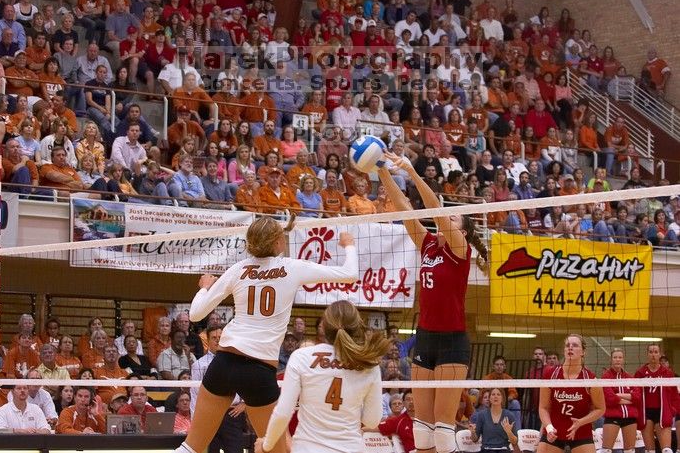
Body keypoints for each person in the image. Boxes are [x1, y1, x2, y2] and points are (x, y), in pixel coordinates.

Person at [173, 217, 358, 453]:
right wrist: (349, 244)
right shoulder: (292, 267)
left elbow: (196, 314)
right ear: (279, 243)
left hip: (224, 362)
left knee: (191, 447)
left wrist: (204, 287)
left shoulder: (237, 269)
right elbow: (350, 274)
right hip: (258, 370)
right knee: (278, 450)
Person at [377, 152, 488, 453]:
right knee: (422, 429)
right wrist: (383, 172)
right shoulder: (428, 244)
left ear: (461, 231)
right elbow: (405, 209)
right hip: (425, 338)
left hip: (453, 342)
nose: (445, 220)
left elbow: (436, 211)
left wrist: (412, 172)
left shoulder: (460, 249)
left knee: (442, 429)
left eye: (453, 219)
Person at [254, 300, 388, 453]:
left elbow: (283, 412)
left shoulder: (301, 357)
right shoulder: (368, 364)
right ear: (356, 327)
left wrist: (266, 446)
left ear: (323, 326)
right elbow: (371, 421)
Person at [538, 334, 605, 453]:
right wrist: (549, 428)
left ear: (583, 352)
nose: (570, 348)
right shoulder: (550, 375)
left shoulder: (590, 379)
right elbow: (543, 407)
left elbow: (600, 409)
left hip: (581, 432)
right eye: (567, 345)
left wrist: (581, 422)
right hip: (554, 432)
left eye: (575, 345)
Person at [634, 343, 678, 453]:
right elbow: (636, 394)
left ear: (659, 354)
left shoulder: (667, 373)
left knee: (666, 450)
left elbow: (674, 395)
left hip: (662, 412)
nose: (653, 355)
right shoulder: (640, 373)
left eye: (656, 352)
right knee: (650, 450)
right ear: (647, 354)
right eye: (651, 352)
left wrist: (673, 410)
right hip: (646, 413)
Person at [601, 349, 639, 453]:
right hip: (613, 416)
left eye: (620, 357)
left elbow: (637, 398)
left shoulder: (629, 377)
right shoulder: (606, 377)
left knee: (630, 451)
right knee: (606, 450)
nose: (617, 360)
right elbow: (610, 399)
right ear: (611, 360)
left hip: (630, 417)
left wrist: (618, 395)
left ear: (623, 360)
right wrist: (629, 398)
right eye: (615, 357)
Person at [469, 388, 518, 452]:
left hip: (503, 450)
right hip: (486, 450)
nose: (495, 396)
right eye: (493, 394)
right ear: (489, 398)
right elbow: (475, 439)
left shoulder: (509, 415)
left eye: (498, 394)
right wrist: (472, 432)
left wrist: (509, 432)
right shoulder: (482, 415)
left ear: (502, 398)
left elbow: (515, 442)